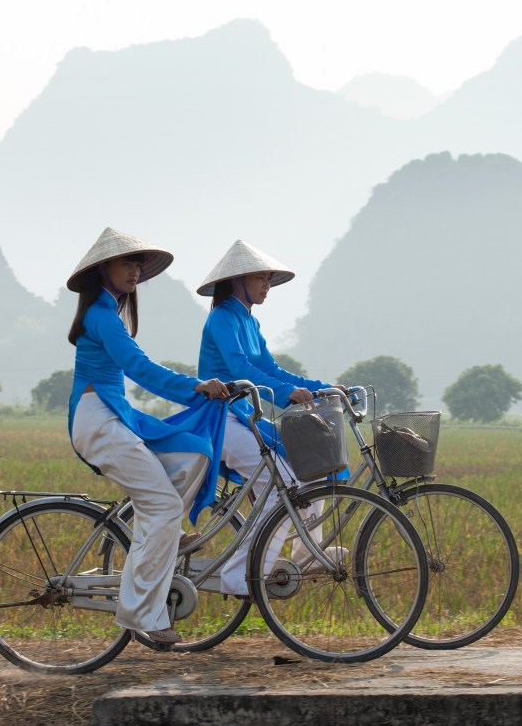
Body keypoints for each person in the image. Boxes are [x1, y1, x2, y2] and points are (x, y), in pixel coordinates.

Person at [67, 227, 230, 647]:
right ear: (104, 267)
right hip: (99, 420)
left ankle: (165, 531)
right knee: (160, 502)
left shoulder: (109, 312)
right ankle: (143, 615)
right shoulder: (102, 316)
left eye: (138, 264)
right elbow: (137, 367)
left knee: (194, 448)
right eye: (127, 262)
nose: (135, 271)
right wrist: (194, 386)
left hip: (114, 415)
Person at [196, 239, 345, 598]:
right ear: (236, 281)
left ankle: (307, 553)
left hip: (244, 416)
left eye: (267, 279)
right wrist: (283, 393)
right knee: (281, 488)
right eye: (260, 278)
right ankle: (238, 577)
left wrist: (323, 388)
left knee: (311, 467)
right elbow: (240, 368)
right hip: (219, 417)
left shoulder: (249, 321)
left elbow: (270, 369)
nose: (266, 285)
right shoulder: (222, 318)